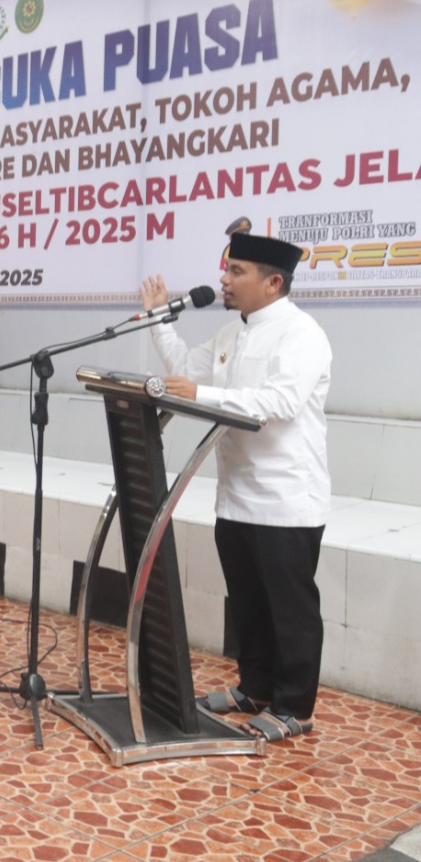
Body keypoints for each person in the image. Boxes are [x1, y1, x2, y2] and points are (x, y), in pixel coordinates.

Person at [142, 231, 331, 744]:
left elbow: (280, 402)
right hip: (236, 496)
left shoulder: (302, 334)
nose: (224, 280)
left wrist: (202, 394)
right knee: (248, 603)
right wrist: (159, 318)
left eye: (236, 271)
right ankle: (255, 688)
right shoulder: (231, 334)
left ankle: (295, 707)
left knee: (290, 611)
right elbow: (185, 372)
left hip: (286, 499)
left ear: (273, 283)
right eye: (226, 270)